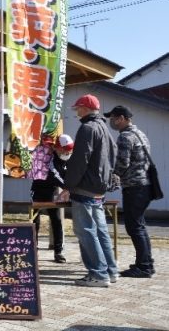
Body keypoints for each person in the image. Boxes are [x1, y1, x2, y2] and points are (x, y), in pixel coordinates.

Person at [64, 94, 119, 287]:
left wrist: (68, 185)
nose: (76, 112)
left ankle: (98, 274)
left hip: (85, 187)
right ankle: (111, 271)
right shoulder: (105, 128)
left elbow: (80, 161)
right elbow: (113, 157)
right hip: (100, 189)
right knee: (101, 231)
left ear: (85, 109)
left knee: (86, 231)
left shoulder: (87, 128)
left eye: (78, 108)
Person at [105, 105, 156, 278]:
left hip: (134, 187)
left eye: (113, 118)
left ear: (121, 118)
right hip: (145, 186)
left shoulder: (125, 137)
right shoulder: (140, 134)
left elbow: (122, 164)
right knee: (139, 226)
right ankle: (146, 263)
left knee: (134, 227)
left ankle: (144, 267)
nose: (111, 122)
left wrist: (110, 178)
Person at [30, 134, 74, 263]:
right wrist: (68, 187)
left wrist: (70, 186)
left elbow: (68, 173)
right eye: (65, 149)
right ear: (58, 148)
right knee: (35, 222)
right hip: (38, 190)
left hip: (52, 191)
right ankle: (33, 249)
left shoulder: (65, 157)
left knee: (56, 220)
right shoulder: (47, 157)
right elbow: (55, 175)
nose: (67, 152)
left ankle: (58, 251)